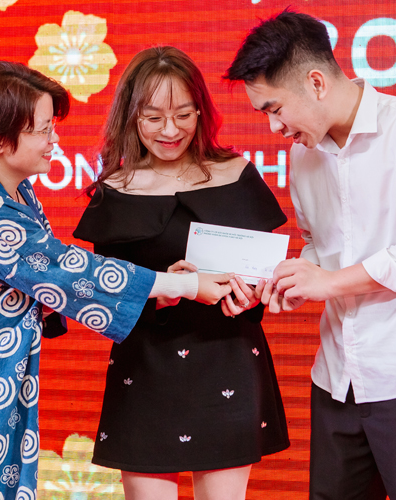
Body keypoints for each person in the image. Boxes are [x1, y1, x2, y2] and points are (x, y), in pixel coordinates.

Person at [0, 60, 233, 500]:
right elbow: (68, 271)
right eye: (42, 130)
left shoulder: (10, 186)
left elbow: (48, 274)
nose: (54, 140)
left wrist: (155, 289)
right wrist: (185, 286)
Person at [225, 10, 396, 500]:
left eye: (275, 109)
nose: (274, 127)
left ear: (316, 82)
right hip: (337, 378)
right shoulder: (303, 156)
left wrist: (327, 283)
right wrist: (291, 280)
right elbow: (319, 244)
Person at [74, 46, 290, 500]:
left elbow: (266, 271)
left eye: (183, 114)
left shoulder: (237, 174)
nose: (170, 131)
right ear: (131, 117)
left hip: (227, 359)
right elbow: (107, 298)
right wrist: (165, 289)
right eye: (153, 118)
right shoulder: (115, 190)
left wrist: (252, 294)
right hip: (145, 369)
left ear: (201, 112)